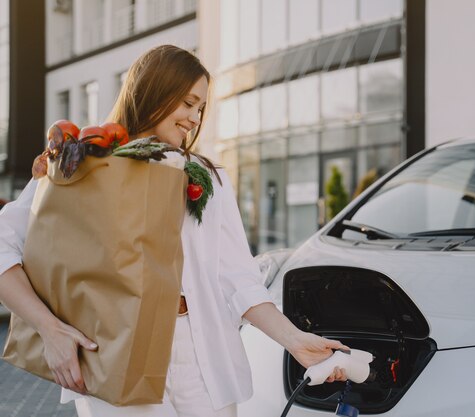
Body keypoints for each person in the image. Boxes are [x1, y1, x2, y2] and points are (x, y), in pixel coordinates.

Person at [0, 45, 347, 417]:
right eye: (187, 102)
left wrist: (294, 341)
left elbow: (237, 278)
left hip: (201, 355)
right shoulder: (78, 165)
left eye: (200, 108)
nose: (195, 118)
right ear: (153, 91)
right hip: (114, 351)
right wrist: (49, 330)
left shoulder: (207, 177)